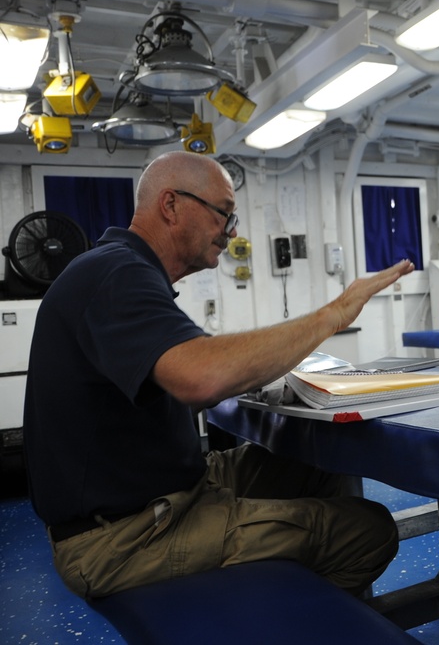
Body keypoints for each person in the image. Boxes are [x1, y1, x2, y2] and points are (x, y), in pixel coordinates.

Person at [23, 151, 414, 600]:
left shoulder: (122, 272)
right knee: (369, 530)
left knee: (316, 464)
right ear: (171, 205)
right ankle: (293, 618)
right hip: (122, 538)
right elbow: (202, 377)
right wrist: (334, 314)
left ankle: (291, 592)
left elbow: (192, 369)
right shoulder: (115, 273)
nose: (232, 232)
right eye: (224, 215)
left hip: (171, 488)